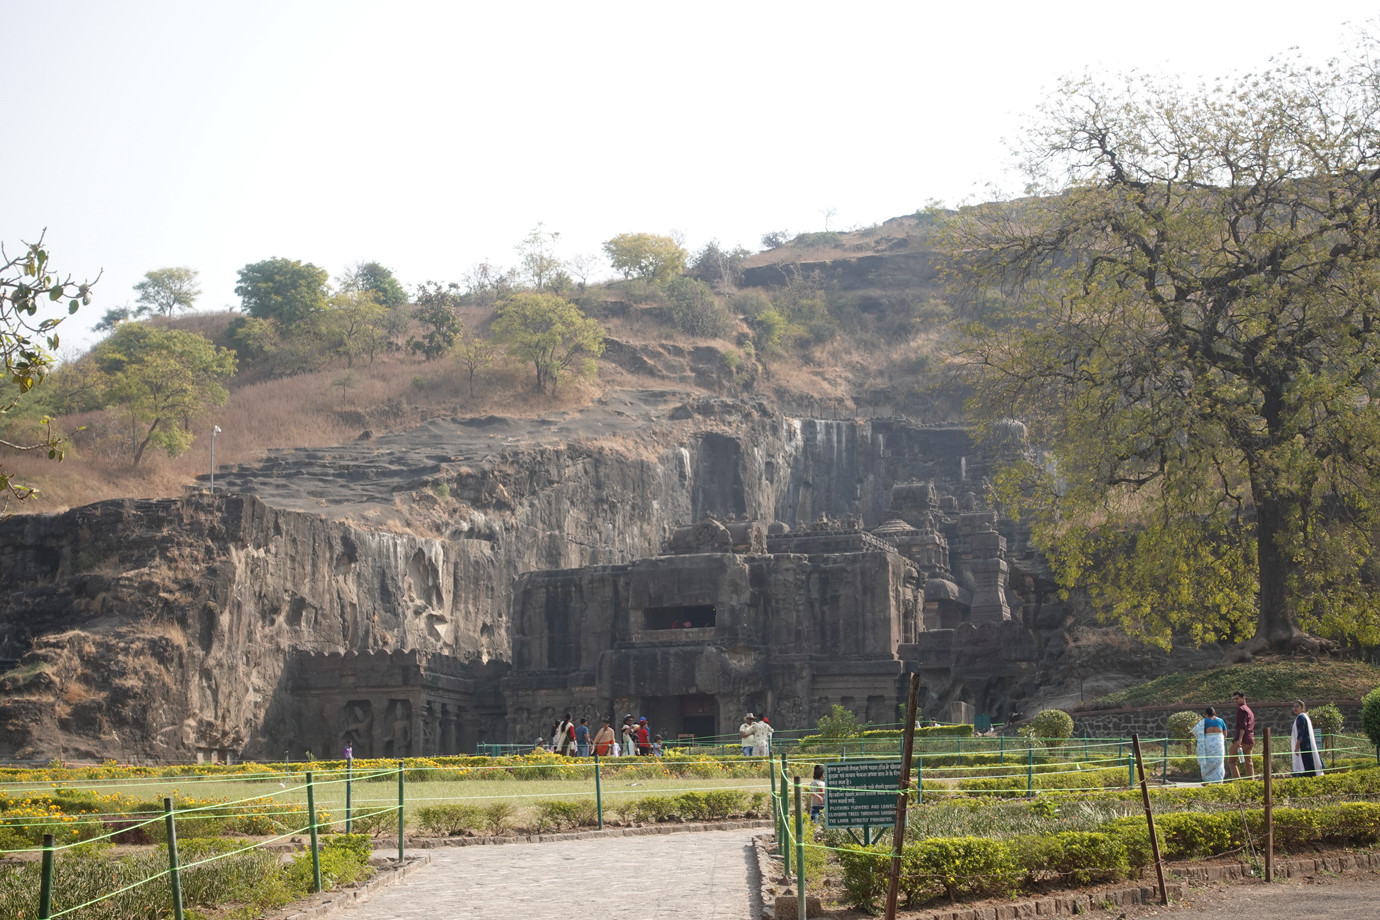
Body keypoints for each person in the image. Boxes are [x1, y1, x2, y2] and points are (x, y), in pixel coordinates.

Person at [1190, 706, 1227, 783]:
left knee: (1207, 762)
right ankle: (1218, 780)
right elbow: (1225, 734)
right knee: (1219, 762)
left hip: (1208, 743)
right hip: (1219, 743)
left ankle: (1207, 780)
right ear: (1214, 713)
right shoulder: (1221, 720)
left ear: (1206, 714)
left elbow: (1195, 731)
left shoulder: (1204, 721)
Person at [1291, 700, 1324, 777]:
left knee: (1305, 765)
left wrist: (1297, 746)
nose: (1295, 708)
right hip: (1307, 744)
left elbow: (1300, 733)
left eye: (1297, 706)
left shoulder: (1301, 718)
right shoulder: (1304, 716)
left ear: (1302, 708)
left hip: (1304, 745)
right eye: (1294, 707)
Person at [1229, 691, 1255, 779]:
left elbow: (1242, 725)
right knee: (1248, 762)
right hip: (1250, 739)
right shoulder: (1249, 710)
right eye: (1234, 699)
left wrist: (1239, 739)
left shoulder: (1241, 709)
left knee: (1231, 761)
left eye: (1237, 698)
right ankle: (1250, 782)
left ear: (1243, 698)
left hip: (1243, 739)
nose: (1235, 701)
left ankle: (1238, 782)